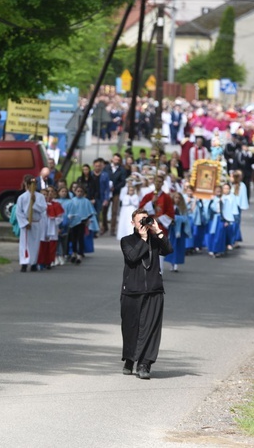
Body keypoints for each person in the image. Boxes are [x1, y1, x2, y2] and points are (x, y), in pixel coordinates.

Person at [120, 209, 173, 379]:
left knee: (151, 329)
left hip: (153, 290)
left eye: (145, 219)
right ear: (133, 223)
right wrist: (143, 239)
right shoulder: (126, 241)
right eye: (139, 220)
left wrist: (158, 231)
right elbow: (132, 257)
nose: (143, 223)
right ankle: (129, 358)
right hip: (132, 291)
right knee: (130, 328)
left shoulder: (155, 240)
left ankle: (145, 364)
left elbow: (169, 250)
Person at [16, 174, 48, 272]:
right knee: (25, 244)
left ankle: (33, 263)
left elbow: (43, 208)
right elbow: (18, 212)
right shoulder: (22, 197)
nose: (32, 186)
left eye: (34, 184)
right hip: (26, 224)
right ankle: (24, 263)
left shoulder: (40, 197)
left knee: (35, 244)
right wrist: (25, 223)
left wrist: (35, 203)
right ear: (27, 185)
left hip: (36, 223)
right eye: (30, 184)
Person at [164, 192, 190, 273]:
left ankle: (176, 264)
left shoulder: (183, 208)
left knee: (178, 246)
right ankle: (172, 263)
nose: (177, 199)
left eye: (179, 198)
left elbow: (186, 218)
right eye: (176, 198)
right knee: (172, 246)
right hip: (172, 229)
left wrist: (177, 219)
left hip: (180, 230)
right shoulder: (171, 207)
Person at [108, 153, 127, 236]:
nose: (116, 161)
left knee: (114, 210)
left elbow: (123, 181)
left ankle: (112, 228)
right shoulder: (107, 168)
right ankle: (104, 226)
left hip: (116, 192)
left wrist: (115, 187)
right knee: (104, 209)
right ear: (112, 159)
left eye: (118, 160)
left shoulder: (121, 170)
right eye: (115, 159)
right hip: (107, 192)